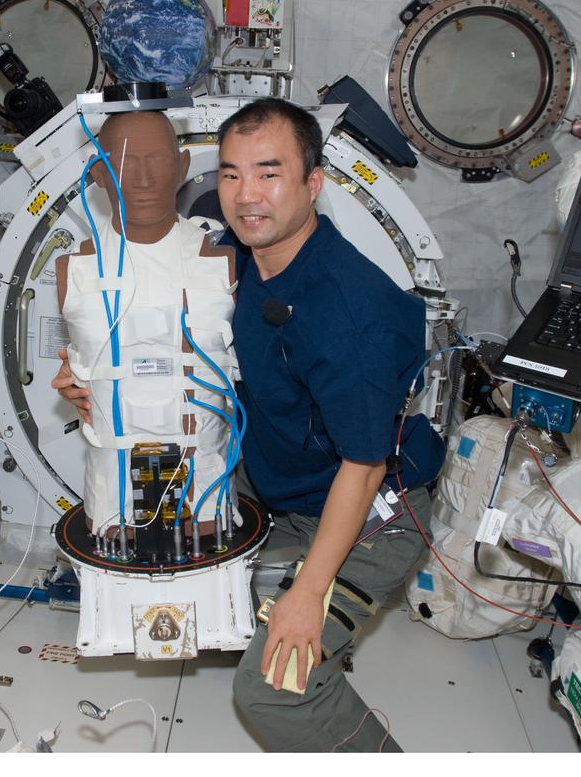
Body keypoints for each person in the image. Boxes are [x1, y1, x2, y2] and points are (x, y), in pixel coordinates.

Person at [56, 98, 443, 751]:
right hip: (277, 471)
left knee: (268, 692)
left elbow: (365, 462)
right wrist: (81, 376)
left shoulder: (353, 313)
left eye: (269, 173)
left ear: (313, 182)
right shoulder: (241, 260)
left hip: (371, 505)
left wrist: (306, 594)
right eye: (231, 174)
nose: (245, 194)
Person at [54, 110, 236, 535]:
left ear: (182, 165)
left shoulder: (223, 262)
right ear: (99, 173)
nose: (141, 178)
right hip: (112, 505)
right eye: (122, 162)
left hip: (206, 502)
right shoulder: (74, 270)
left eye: (156, 159)